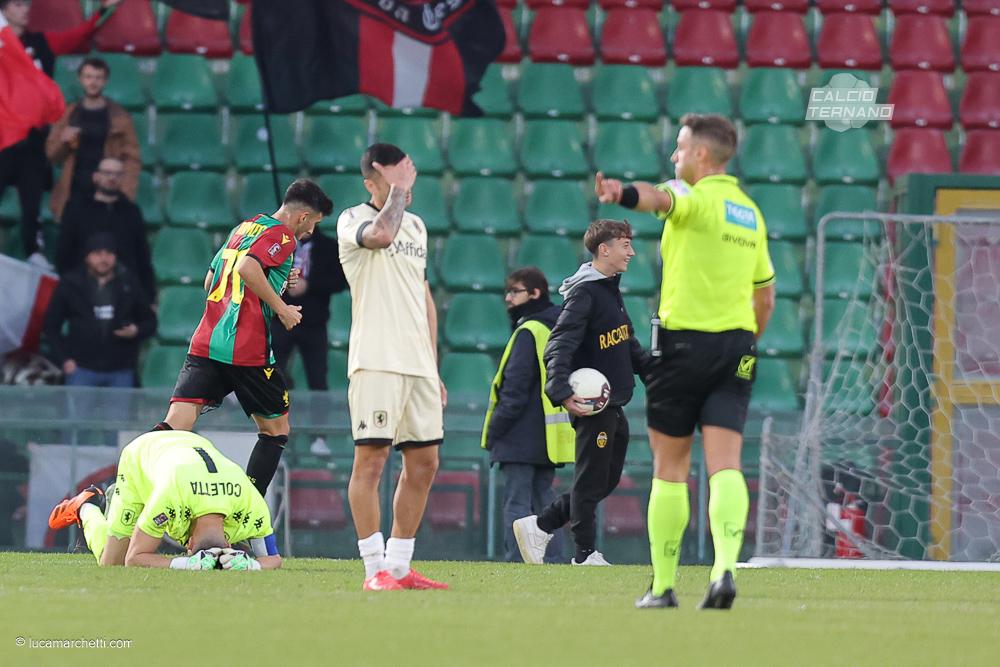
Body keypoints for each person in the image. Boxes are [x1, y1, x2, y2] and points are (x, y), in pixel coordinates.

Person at [595, 113, 776, 610]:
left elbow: (658, 198)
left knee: (670, 467)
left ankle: (663, 586)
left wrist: (620, 194)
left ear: (700, 154)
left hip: (683, 346)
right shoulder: (750, 212)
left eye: (679, 147)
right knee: (726, 466)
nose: (674, 156)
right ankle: (723, 572)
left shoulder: (691, 197)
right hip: (737, 345)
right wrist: (745, 341)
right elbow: (766, 296)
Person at [155, 179, 333, 500]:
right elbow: (249, 268)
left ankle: (133, 485)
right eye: (313, 225)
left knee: (176, 425)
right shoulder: (283, 236)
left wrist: (275, 281)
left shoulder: (245, 227)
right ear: (303, 217)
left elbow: (212, 280)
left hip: (207, 340)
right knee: (276, 431)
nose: (309, 234)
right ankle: (245, 512)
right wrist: (282, 309)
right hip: (246, 348)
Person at [337, 143, 448, 591]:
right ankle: (373, 569)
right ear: (372, 183)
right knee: (371, 461)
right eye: (398, 176)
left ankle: (400, 565)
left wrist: (433, 365)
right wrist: (397, 194)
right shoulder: (352, 219)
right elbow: (380, 236)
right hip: (376, 358)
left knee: (425, 462)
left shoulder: (418, 227)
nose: (409, 184)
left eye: (411, 174)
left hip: (417, 363)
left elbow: (422, 297)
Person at [513, 220, 650, 567]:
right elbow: (559, 344)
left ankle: (541, 525)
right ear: (604, 249)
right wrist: (560, 390)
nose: (631, 252)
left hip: (615, 400)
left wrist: (656, 374)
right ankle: (585, 554)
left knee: (606, 479)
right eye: (625, 245)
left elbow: (627, 343)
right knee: (589, 480)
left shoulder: (609, 290)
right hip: (592, 405)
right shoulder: (585, 294)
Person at [48, 429, 281, 570]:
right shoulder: (169, 500)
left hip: (187, 449)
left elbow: (274, 561)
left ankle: (110, 504)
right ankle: (86, 505)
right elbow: (134, 558)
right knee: (112, 563)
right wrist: (185, 565)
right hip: (141, 456)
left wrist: (250, 565)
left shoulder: (253, 506)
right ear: (188, 546)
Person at [0, 0, 122, 265]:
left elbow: (77, 36)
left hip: (33, 137)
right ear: (5, 10)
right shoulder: (2, 41)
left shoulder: (42, 42)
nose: (25, 10)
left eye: (26, 5)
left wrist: (103, 11)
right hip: (3, 136)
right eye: (18, 5)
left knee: (31, 201)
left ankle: (34, 251)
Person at [482, 267, 573, 563]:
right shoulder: (556, 327)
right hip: (547, 438)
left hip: (519, 435)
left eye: (515, 291)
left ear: (535, 293)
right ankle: (554, 559)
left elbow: (515, 388)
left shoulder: (528, 330)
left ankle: (518, 559)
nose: (508, 298)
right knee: (544, 500)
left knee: (517, 503)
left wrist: (496, 430)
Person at [42, 232, 156, 388]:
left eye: (109, 253)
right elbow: (50, 326)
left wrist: (136, 330)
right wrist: (64, 360)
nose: (104, 259)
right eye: (97, 253)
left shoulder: (129, 283)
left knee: (119, 414)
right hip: (81, 369)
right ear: (87, 256)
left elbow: (150, 321)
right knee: (77, 414)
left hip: (120, 370)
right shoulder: (71, 284)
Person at [46, 56, 140, 222]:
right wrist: (63, 141)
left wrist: (125, 192)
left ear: (105, 81)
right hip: (74, 189)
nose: (93, 82)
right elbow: (52, 155)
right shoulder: (68, 114)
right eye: (88, 77)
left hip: (106, 191)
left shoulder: (120, 117)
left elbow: (132, 158)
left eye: (98, 78)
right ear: (80, 79)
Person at [55, 157, 154, 302]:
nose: (112, 178)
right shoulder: (76, 209)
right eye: (107, 173)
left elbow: (142, 255)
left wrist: (149, 297)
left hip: (124, 292)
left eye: (117, 174)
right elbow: (64, 250)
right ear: (96, 176)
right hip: (82, 290)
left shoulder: (131, 212)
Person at [270, 226, 348, 391]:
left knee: (318, 380)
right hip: (281, 318)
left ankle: (320, 416)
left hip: (314, 322)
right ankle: (274, 415)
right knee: (273, 377)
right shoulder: (279, 244)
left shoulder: (328, 246)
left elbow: (340, 281)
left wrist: (309, 285)